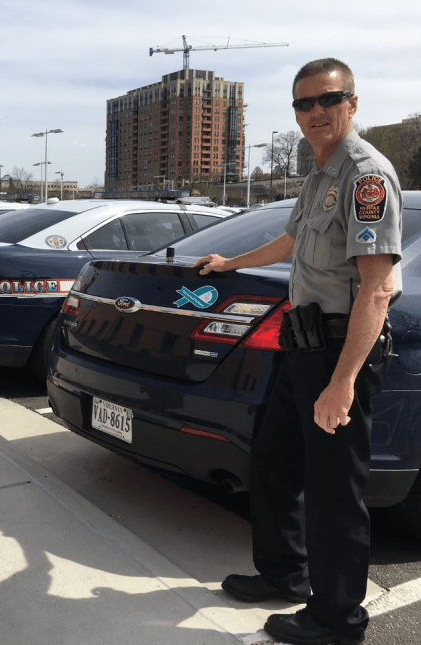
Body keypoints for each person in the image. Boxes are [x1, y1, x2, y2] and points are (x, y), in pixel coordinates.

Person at [195, 58, 402, 645]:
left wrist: (343, 383)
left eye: (328, 99)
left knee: (335, 490)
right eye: (304, 103)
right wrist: (229, 262)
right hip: (302, 344)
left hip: (340, 352)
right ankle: (285, 573)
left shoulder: (366, 175)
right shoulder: (318, 175)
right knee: (273, 462)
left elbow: (377, 287)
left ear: (352, 104)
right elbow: (290, 239)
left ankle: (338, 620)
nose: (316, 112)